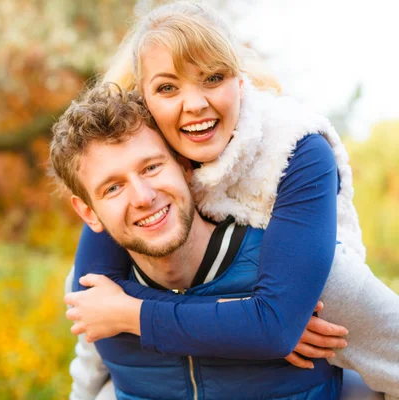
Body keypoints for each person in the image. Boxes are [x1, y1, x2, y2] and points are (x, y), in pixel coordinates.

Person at [66, 1, 399, 399]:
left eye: (212, 77)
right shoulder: (142, 174)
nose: (194, 104)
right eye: (168, 87)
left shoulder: (295, 150)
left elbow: (277, 325)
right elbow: (92, 300)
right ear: (144, 103)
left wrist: (278, 319)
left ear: (239, 82)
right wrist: (238, 330)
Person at [50, 83, 347, 399]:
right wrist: (242, 325)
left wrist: (268, 322)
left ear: (184, 166)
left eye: (151, 167)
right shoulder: (97, 298)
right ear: (88, 213)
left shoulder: (298, 278)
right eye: (112, 188)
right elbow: (88, 381)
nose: (143, 197)